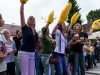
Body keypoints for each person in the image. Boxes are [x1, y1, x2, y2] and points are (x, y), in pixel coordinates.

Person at [18, 2, 38, 75]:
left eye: (33, 19)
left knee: (31, 73)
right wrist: (23, 2)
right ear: (28, 21)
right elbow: (21, 12)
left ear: (35, 21)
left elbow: (35, 42)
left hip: (32, 53)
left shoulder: (35, 31)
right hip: (24, 53)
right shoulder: (24, 27)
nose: (32, 19)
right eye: (30, 19)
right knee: (25, 73)